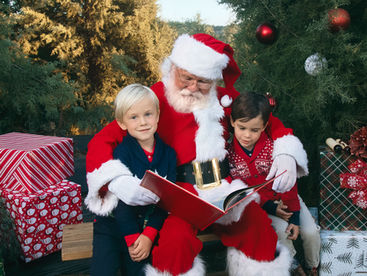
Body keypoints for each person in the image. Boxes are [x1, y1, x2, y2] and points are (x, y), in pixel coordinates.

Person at [85, 33, 309, 275]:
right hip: (181, 193)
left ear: (213, 79)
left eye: (202, 81)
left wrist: (285, 153)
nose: (193, 87)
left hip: (224, 188)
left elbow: (267, 122)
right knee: (175, 243)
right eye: (186, 78)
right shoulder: (154, 98)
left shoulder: (223, 98)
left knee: (257, 230)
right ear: (174, 69)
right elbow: (102, 140)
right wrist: (117, 181)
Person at [227, 92, 320, 276]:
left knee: (310, 233)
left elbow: (288, 181)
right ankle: (294, 266)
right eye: (242, 128)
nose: (247, 135)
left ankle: (313, 266)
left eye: (254, 130)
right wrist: (270, 207)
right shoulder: (229, 155)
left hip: (288, 199)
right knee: (280, 232)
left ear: (264, 126)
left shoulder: (275, 146)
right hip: (264, 206)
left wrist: (294, 216)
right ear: (232, 122)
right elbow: (243, 192)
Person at [90, 84, 176, 276]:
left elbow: (167, 199)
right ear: (122, 123)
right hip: (113, 224)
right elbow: (121, 201)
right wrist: (131, 238)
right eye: (134, 117)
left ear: (158, 115)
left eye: (148, 114)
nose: (143, 122)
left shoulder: (169, 154)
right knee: (103, 270)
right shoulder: (122, 153)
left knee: (140, 270)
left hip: (145, 226)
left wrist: (149, 234)